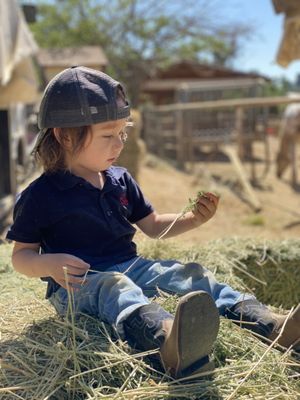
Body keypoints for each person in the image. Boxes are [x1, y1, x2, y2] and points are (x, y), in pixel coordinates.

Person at [6, 66, 300, 379]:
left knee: (188, 275)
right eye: (108, 135)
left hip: (131, 265)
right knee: (115, 288)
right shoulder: (40, 194)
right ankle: (169, 340)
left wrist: (193, 218)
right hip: (77, 285)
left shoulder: (120, 179)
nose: (119, 144)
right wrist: (49, 264)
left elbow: (155, 225)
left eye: (123, 133)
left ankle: (269, 324)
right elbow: (21, 256)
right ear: (64, 135)